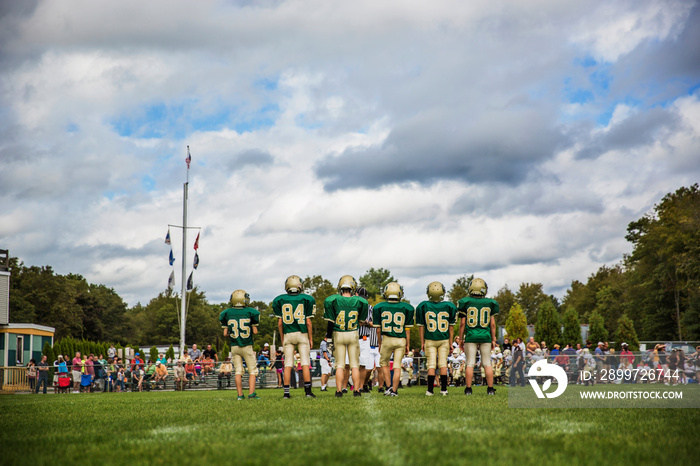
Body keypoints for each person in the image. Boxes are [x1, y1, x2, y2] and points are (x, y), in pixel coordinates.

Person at [324, 275, 370, 398]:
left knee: (340, 365)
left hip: (338, 334)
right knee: (355, 364)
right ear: (353, 287)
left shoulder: (333, 300)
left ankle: (339, 391)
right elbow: (361, 321)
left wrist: (329, 339)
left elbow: (330, 322)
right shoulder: (360, 301)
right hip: (353, 334)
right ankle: (357, 390)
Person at [272, 275, 317, 399]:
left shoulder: (280, 300)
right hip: (302, 334)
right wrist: (310, 338)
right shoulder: (306, 299)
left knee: (288, 364)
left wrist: (282, 338)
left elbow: (280, 323)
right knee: (305, 363)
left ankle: (286, 393)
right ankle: (308, 392)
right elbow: (308, 322)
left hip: (288, 334)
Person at [415, 281, 458, 396]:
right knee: (443, 364)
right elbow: (451, 328)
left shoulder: (423, 306)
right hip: (444, 339)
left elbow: (421, 327)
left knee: (431, 365)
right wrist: (450, 342)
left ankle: (430, 390)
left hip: (430, 339)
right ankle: (444, 390)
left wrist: (422, 342)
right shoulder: (449, 306)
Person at [458, 278, 499, 396]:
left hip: (471, 336)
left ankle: (468, 389)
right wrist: (493, 338)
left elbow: (462, 324)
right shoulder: (490, 303)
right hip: (485, 336)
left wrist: (461, 339)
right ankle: (490, 389)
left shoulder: (465, 302)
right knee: (487, 363)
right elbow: (492, 324)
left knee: (470, 363)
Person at [373, 281, 414, 397]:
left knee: (384, 363)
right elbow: (407, 330)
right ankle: (394, 391)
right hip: (401, 339)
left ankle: (389, 387)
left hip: (387, 339)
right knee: (397, 366)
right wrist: (407, 345)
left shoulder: (379, 307)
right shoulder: (407, 307)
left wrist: (379, 343)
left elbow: (378, 330)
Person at [219, 289, 262, 400]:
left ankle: (239, 395)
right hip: (247, 345)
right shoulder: (251, 312)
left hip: (234, 346)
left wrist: (234, 333)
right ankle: (251, 394)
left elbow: (225, 334)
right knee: (252, 371)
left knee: (238, 371)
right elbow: (255, 332)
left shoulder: (226, 313)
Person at [356, 286, 377, 393]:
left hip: (364, 338)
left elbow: (374, 323)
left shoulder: (370, 308)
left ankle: (360, 387)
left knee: (363, 364)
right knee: (350, 364)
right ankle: (347, 387)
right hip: (353, 337)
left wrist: (365, 323)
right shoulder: (353, 305)